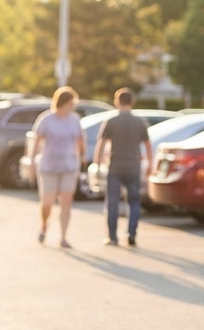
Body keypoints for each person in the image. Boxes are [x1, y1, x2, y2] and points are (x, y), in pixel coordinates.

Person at [95, 88, 152, 246]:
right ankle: (131, 233)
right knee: (134, 202)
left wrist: (97, 164)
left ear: (117, 101)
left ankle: (112, 237)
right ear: (132, 102)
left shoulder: (111, 121)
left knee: (112, 202)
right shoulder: (139, 122)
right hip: (134, 166)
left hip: (115, 166)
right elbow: (147, 145)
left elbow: (101, 144)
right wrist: (150, 164)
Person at [30, 86, 85, 249]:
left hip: (69, 166)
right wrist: (32, 161)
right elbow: (36, 141)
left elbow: (80, 141)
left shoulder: (75, 120)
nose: (73, 105)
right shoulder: (46, 119)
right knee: (47, 202)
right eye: (71, 102)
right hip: (48, 166)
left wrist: (82, 158)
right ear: (64, 102)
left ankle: (63, 237)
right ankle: (44, 225)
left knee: (66, 203)